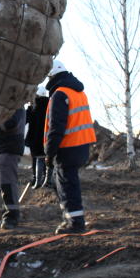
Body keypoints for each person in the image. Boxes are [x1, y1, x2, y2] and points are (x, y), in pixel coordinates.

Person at [44, 59, 96, 235]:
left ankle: (75, 223)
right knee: (68, 184)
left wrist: (49, 153)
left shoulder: (60, 94)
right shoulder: (79, 92)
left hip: (67, 148)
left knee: (66, 186)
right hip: (81, 146)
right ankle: (72, 219)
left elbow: (56, 127)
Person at [0, 108, 26, 229]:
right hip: (4, 147)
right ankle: (9, 214)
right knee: (4, 184)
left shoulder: (15, 105)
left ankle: (11, 217)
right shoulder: (12, 105)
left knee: (7, 183)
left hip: (8, 147)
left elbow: (10, 124)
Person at [25, 85, 50, 189]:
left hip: (35, 139)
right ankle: (46, 180)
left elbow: (24, 120)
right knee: (47, 159)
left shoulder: (33, 107)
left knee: (36, 159)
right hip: (47, 138)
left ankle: (36, 179)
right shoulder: (50, 105)